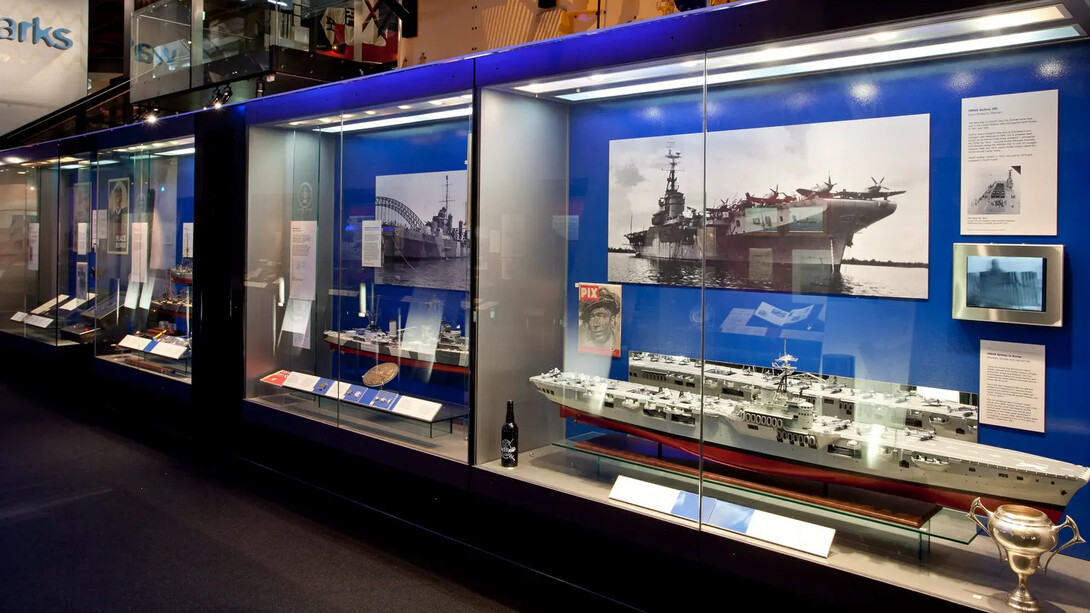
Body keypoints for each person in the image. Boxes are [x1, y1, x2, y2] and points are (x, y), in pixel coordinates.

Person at [579, 287, 620, 353]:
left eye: (601, 316)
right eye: (592, 317)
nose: (595, 324)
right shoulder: (586, 347)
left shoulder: (619, 344)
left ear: (612, 320)